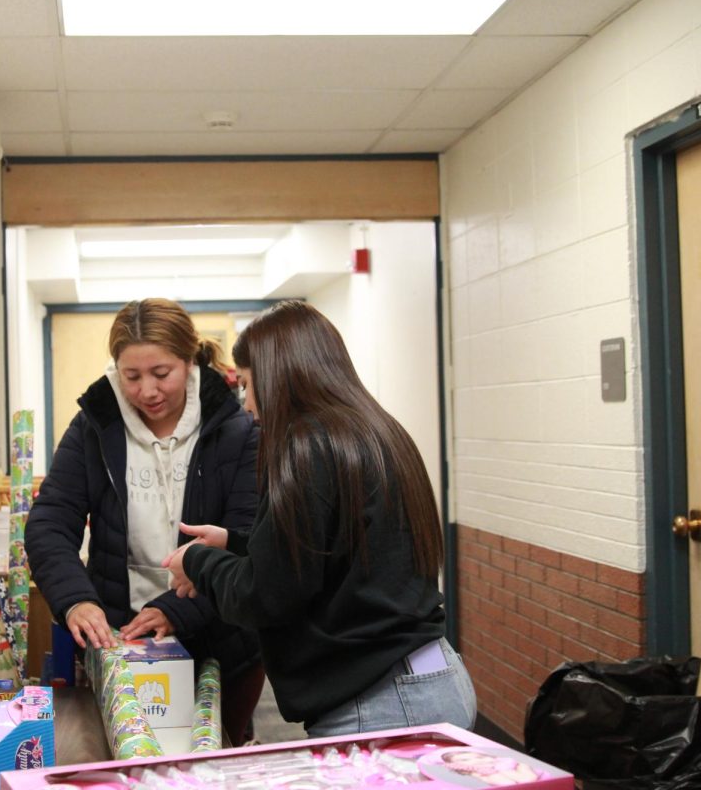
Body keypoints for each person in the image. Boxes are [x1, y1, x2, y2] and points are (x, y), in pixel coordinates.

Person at [164, 299, 477, 737]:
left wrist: (195, 562)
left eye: (250, 385)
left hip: (382, 702)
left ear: (279, 377)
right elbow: (326, 556)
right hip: (433, 678)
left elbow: (265, 596)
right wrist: (233, 544)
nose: (249, 405)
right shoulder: (372, 430)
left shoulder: (305, 447)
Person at [25, 298, 264, 746]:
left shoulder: (237, 429)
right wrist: (75, 600)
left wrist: (178, 609)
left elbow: (246, 540)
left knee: (211, 758)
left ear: (190, 361)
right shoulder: (94, 427)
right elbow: (50, 523)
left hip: (220, 640)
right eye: (131, 376)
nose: (147, 391)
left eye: (161, 374)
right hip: (122, 639)